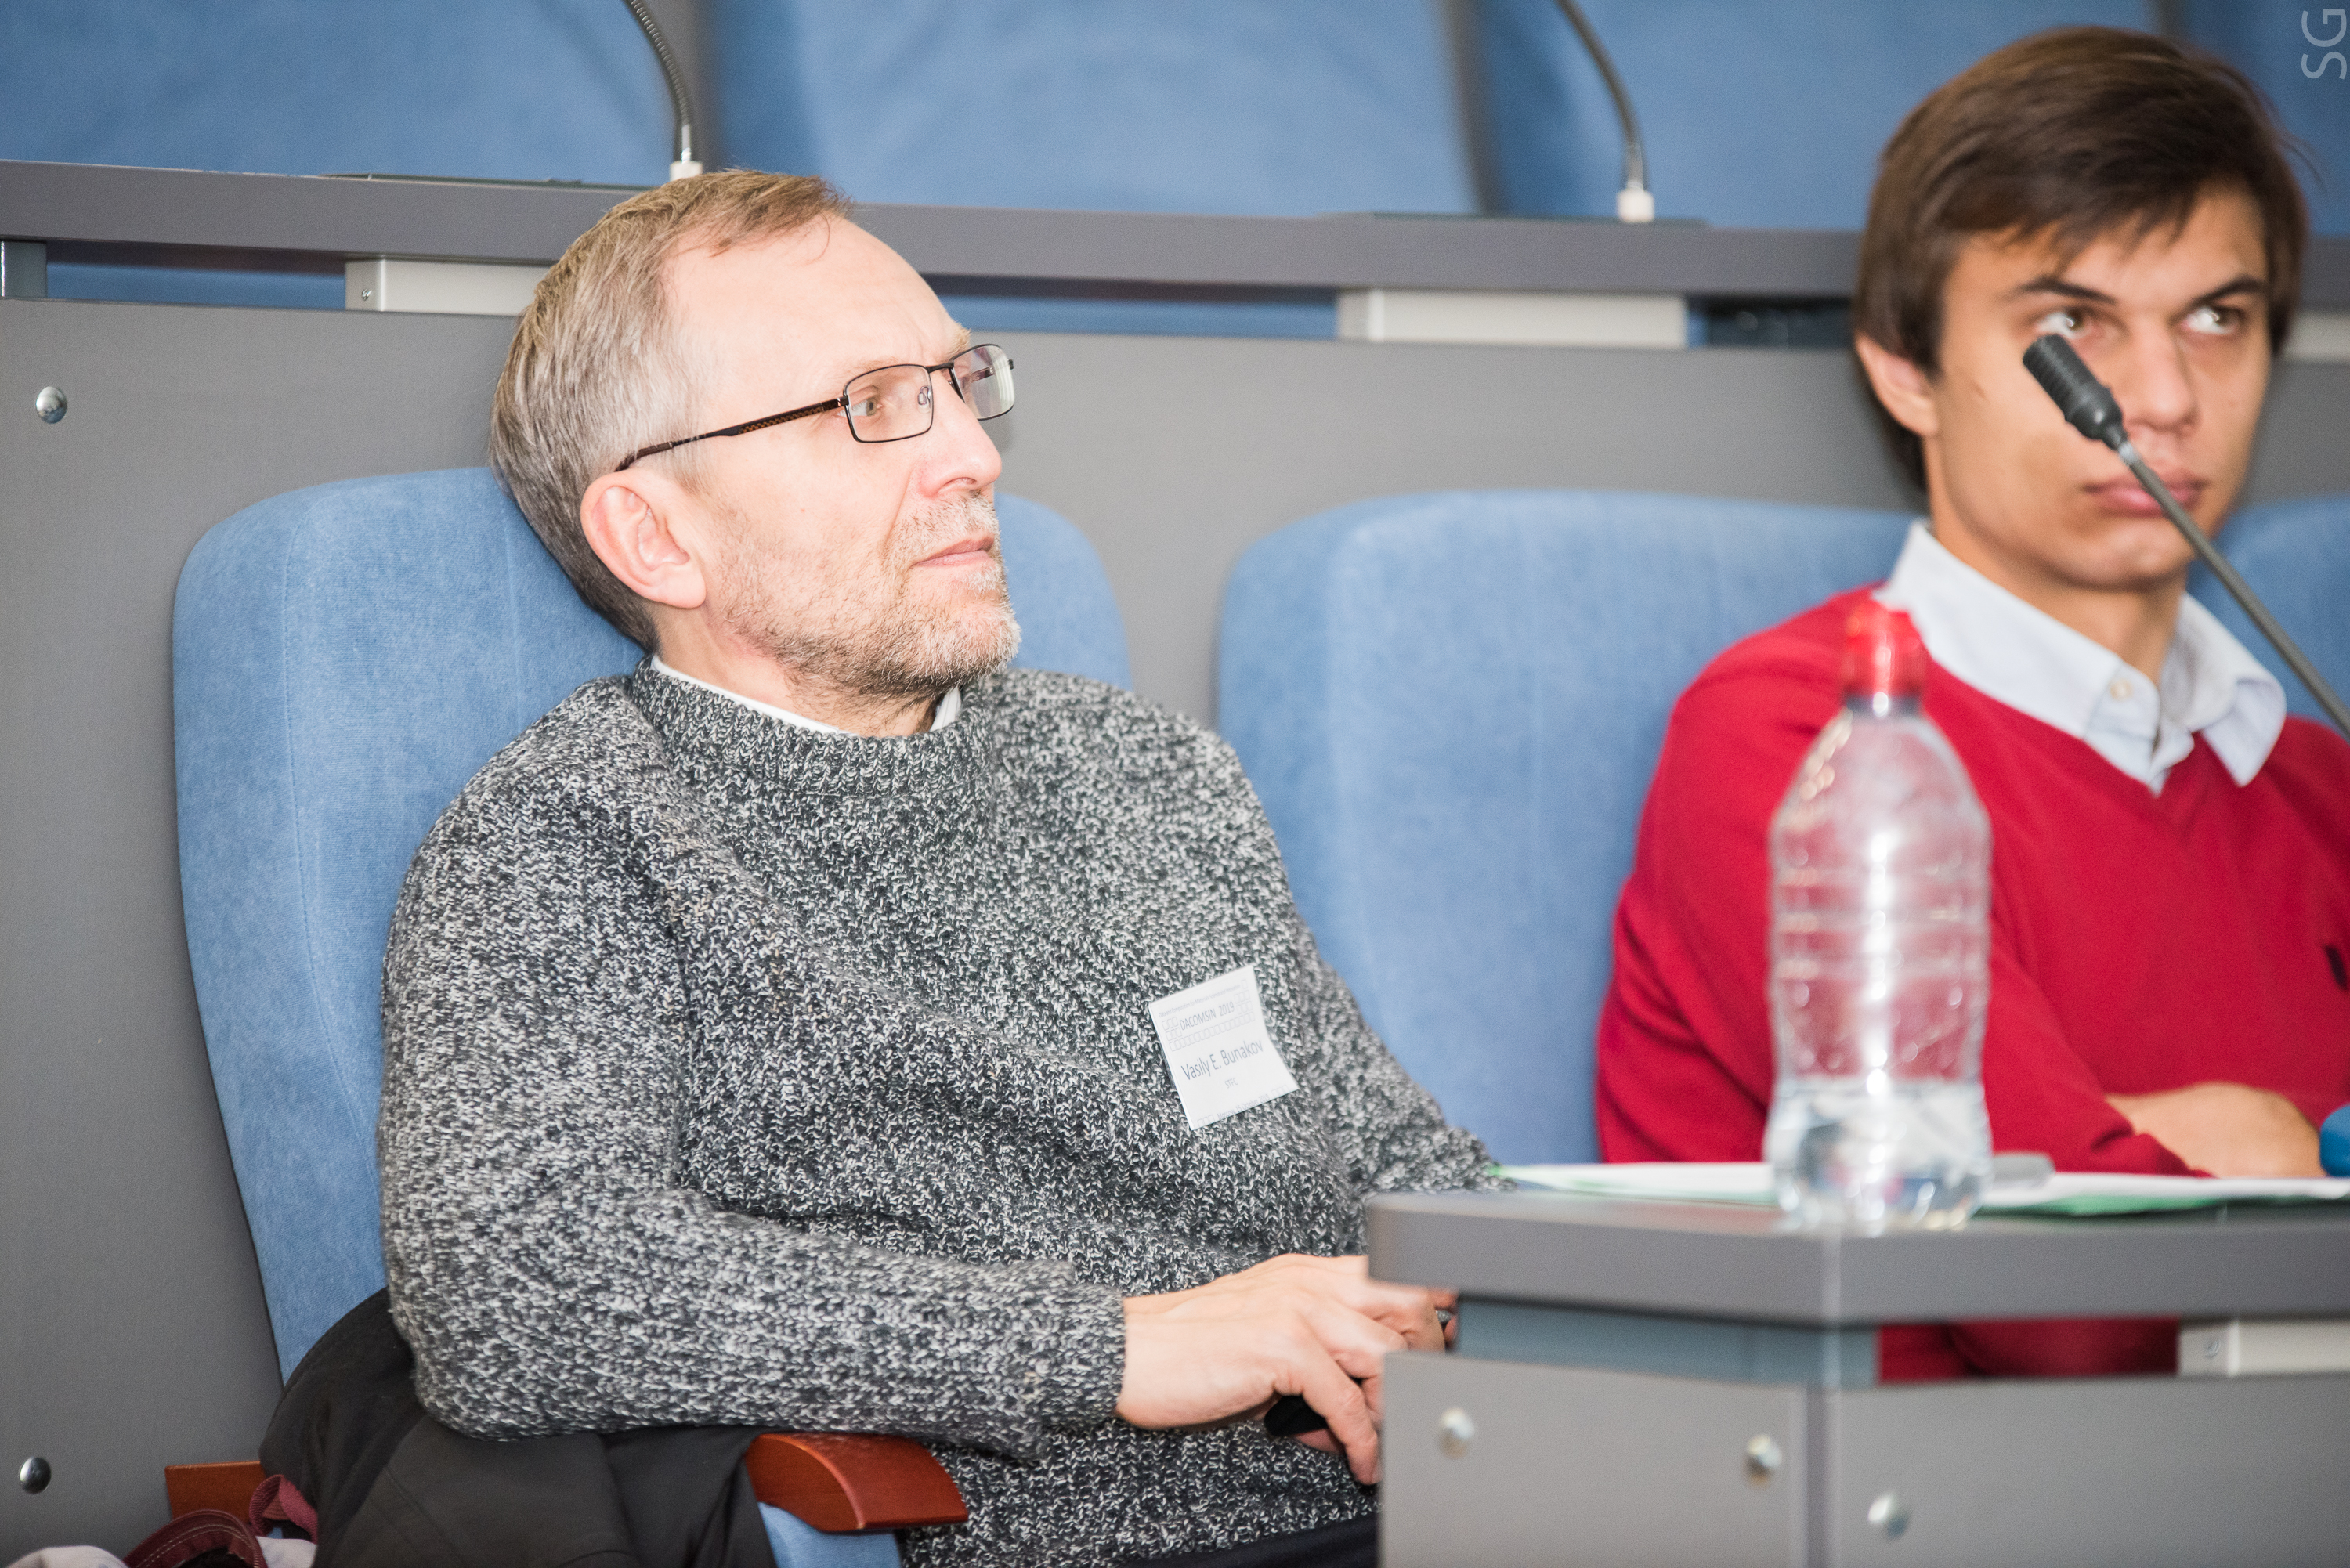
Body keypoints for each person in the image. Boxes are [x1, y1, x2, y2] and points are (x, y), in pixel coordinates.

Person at [372, 170, 1495, 1568]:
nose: (972, 454)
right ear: (659, 535)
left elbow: (1418, 1175)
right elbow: (513, 1285)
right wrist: (1112, 1346)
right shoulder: (578, 834)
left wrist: (1496, 1301)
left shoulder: (1152, 769)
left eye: (960, 384)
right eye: (872, 405)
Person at [1595, 27, 2350, 1379]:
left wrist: (2196, 1149)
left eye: (2216, 319)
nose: (2165, 398)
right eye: (2073, 326)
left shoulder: (2321, 782)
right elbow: (2063, 1303)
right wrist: (2286, 1151)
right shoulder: (1804, 746)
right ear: (1907, 366)